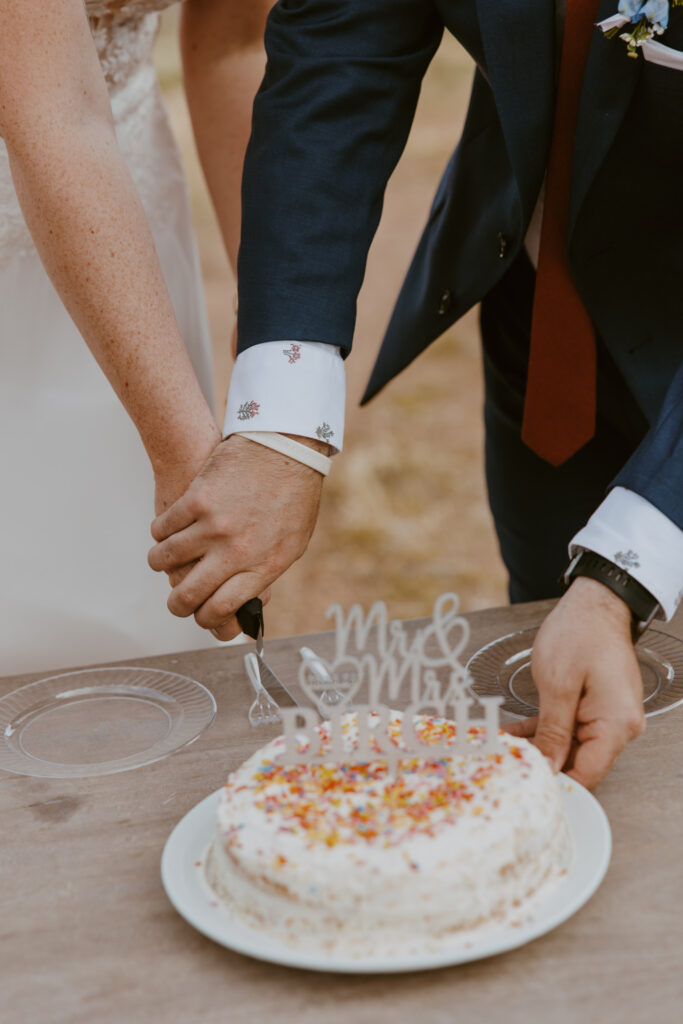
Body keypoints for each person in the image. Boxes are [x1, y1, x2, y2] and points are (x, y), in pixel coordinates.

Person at [150, 0, 683, 789]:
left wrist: (619, 583)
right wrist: (281, 428)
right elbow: (343, 43)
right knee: (563, 700)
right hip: (542, 321)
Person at [0, 0, 272, 674]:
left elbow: (234, 41)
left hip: (128, 195)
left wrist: (273, 324)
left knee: (140, 637)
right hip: (52, 148)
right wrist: (188, 461)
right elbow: (48, 111)